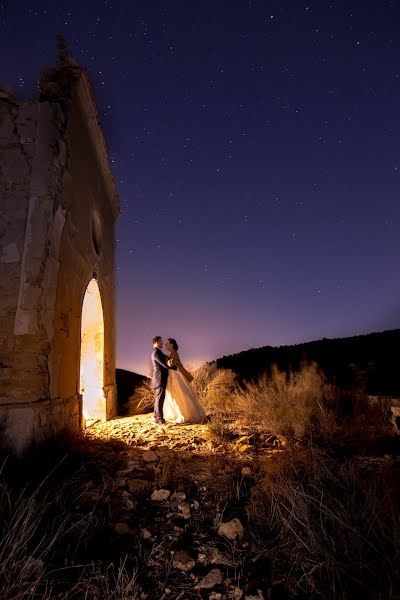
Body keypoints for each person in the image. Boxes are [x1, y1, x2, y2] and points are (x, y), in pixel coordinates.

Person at [163, 338, 206, 424]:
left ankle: (184, 414)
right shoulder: (172, 353)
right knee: (175, 395)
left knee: (180, 395)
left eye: (167, 343)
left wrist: (165, 358)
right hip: (172, 376)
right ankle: (177, 413)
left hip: (176, 376)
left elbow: (171, 364)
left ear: (172, 345)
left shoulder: (175, 353)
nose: (165, 345)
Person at [150, 336, 176, 425]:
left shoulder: (158, 352)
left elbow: (164, 359)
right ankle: (160, 419)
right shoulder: (156, 353)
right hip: (160, 379)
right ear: (156, 343)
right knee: (159, 399)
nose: (162, 343)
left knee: (159, 398)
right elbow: (164, 365)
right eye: (161, 341)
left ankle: (156, 417)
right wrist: (173, 368)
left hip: (160, 379)